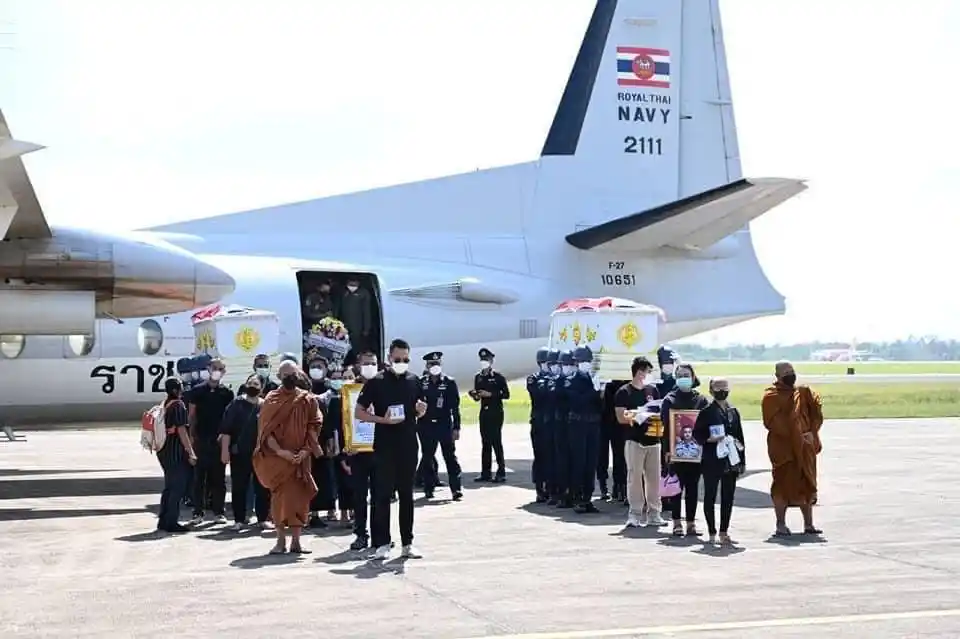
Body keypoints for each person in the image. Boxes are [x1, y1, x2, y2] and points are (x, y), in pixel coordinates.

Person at [355, 338, 428, 560]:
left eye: (405, 359)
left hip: (408, 444)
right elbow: (359, 412)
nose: (401, 362)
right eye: (397, 359)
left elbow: (417, 408)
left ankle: (408, 543)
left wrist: (421, 410)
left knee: (407, 494)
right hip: (385, 445)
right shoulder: (376, 382)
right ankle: (383, 543)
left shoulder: (414, 380)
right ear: (389, 358)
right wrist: (381, 420)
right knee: (383, 495)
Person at [253, 360, 322, 555]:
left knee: (300, 499)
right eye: (285, 375)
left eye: (293, 374)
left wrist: (307, 449)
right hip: (279, 460)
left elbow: (314, 425)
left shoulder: (307, 399)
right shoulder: (271, 399)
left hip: (301, 458)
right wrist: (281, 452)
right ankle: (280, 540)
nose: (289, 378)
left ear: (299, 375)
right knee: (279, 501)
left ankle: (296, 542)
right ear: (279, 377)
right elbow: (266, 433)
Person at [762, 361, 823, 537]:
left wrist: (811, 432)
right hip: (784, 448)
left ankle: (809, 524)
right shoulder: (771, 396)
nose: (790, 374)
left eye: (792, 371)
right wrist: (796, 436)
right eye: (786, 372)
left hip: (805, 446)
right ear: (777, 376)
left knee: (807, 482)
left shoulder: (803, 394)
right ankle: (780, 524)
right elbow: (772, 423)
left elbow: (815, 415)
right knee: (782, 485)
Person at [693, 377, 745, 545]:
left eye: (724, 387)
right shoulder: (706, 412)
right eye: (718, 388)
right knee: (710, 495)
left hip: (730, 460)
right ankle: (712, 531)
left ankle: (724, 530)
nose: (722, 391)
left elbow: (739, 437)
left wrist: (742, 461)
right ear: (711, 391)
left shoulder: (733, 412)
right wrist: (710, 439)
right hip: (712, 459)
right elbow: (697, 435)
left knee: (728, 496)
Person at [660, 363, 709, 536]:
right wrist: (667, 450)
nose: (684, 378)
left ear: (693, 377)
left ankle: (691, 523)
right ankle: (676, 522)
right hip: (675, 451)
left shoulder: (701, 400)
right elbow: (666, 428)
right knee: (676, 488)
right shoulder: (669, 400)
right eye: (680, 375)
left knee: (693, 488)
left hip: (696, 453)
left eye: (686, 375)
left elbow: (705, 426)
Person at [614, 356, 663, 528]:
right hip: (634, 440)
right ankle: (635, 513)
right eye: (647, 372)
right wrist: (637, 415)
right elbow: (621, 417)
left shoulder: (653, 391)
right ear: (639, 372)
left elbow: (658, 410)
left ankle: (654, 513)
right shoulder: (624, 392)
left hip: (653, 440)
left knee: (654, 478)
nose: (649, 375)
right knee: (634, 477)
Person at [219, 375, 271, 531]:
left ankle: (262, 519)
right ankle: (239, 519)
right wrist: (224, 451)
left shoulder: (265, 405)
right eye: (249, 383)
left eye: (256, 384)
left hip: (261, 454)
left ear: (262, 387)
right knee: (239, 487)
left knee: (262, 487)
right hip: (239, 453)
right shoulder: (236, 404)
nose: (252, 386)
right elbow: (226, 430)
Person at [186, 358, 235, 525]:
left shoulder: (227, 393)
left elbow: (229, 418)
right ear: (208, 369)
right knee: (199, 478)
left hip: (219, 441)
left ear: (224, 372)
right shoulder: (197, 391)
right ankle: (197, 512)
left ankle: (219, 512)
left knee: (218, 479)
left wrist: (226, 441)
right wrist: (192, 438)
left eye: (220, 368)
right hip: (201, 439)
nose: (216, 371)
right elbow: (191, 416)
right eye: (214, 368)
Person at [418, 351, 464, 500]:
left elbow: (455, 407)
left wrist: (456, 427)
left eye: (437, 364)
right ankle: (429, 488)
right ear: (426, 366)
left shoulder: (449, 382)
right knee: (427, 457)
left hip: (444, 424)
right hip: (426, 425)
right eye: (431, 364)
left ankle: (456, 489)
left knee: (450, 456)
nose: (434, 366)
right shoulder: (421, 382)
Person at [347, 350, 381, 551]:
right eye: (366, 363)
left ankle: (380, 535)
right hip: (358, 450)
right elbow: (343, 420)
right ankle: (360, 534)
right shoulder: (350, 390)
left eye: (373, 363)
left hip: (381, 449)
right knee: (359, 496)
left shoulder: (385, 386)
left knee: (380, 495)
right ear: (358, 365)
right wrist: (347, 446)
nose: (370, 366)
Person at [156, 377, 196, 533]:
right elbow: (182, 431)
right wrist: (191, 452)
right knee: (177, 489)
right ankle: (171, 521)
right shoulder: (178, 406)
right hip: (176, 453)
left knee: (168, 487)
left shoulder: (165, 404)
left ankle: (163, 520)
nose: (183, 390)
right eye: (180, 387)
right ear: (175, 390)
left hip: (164, 451)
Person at [566, 346, 602, 514]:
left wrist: (601, 392)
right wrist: (594, 391)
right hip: (578, 425)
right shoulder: (572, 380)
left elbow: (600, 407)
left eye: (588, 361)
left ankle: (587, 498)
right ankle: (577, 498)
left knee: (591, 463)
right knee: (579, 462)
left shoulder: (592, 379)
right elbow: (576, 401)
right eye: (582, 361)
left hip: (592, 425)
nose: (585, 364)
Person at [470, 348, 510, 483]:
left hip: (496, 412)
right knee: (485, 442)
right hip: (484, 412)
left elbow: (506, 394)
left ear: (491, 361)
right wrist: (474, 395)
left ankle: (501, 471)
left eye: (486, 360)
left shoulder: (498, 377)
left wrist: (491, 394)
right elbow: (478, 397)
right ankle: (485, 472)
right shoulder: (478, 377)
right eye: (482, 360)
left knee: (496, 442)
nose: (484, 362)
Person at [306, 355, 336, 528]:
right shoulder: (304, 388)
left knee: (327, 476)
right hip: (307, 440)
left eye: (320, 366)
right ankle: (313, 513)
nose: (317, 369)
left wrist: (332, 438)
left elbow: (332, 416)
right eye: (314, 366)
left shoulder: (330, 389)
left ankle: (330, 509)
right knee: (311, 476)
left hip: (325, 438)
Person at [598, 376, 628, 503]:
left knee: (620, 456)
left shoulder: (626, 383)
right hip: (602, 422)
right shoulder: (603, 381)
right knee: (602, 456)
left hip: (619, 425)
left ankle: (619, 486)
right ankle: (603, 485)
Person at [527, 347, 551, 503]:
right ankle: (539, 488)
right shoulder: (534, 378)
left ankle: (550, 486)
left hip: (551, 422)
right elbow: (537, 393)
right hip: (539, 421)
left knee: (551, 457)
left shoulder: (553, 377)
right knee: (540, 456)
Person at [552, 349, 575, 508]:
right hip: (560, 424)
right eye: (565, 364)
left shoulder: (574, 380)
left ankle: (572, 493)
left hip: (573, 425)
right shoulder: (558, 381)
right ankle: (561, 493)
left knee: (574, 461)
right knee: (561, 460)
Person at [339, 278, 373, 352]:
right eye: (350, 284)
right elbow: (338, 308)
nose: (352, 286)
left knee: (356, 345)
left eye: (354, 284)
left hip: (358, 326)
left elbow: (366, 311)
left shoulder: (363, 293)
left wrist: (366, 328)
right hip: (343, 324)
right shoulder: (343, 292)